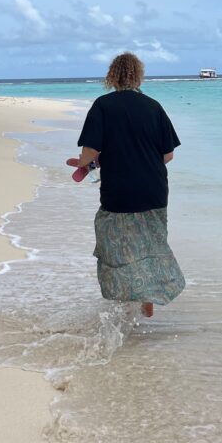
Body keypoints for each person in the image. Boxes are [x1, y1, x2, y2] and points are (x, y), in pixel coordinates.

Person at [71, 52, 185, 318]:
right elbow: (167, 155)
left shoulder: (102, 105)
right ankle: (148, 299)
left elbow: (90, 151)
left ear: (112, 75)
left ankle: (124, 297)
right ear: (139, 75)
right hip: (154, 190)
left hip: (118, 190)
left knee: (115, 243)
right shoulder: (153, 106)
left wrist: (85, 164)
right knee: (152, 244)